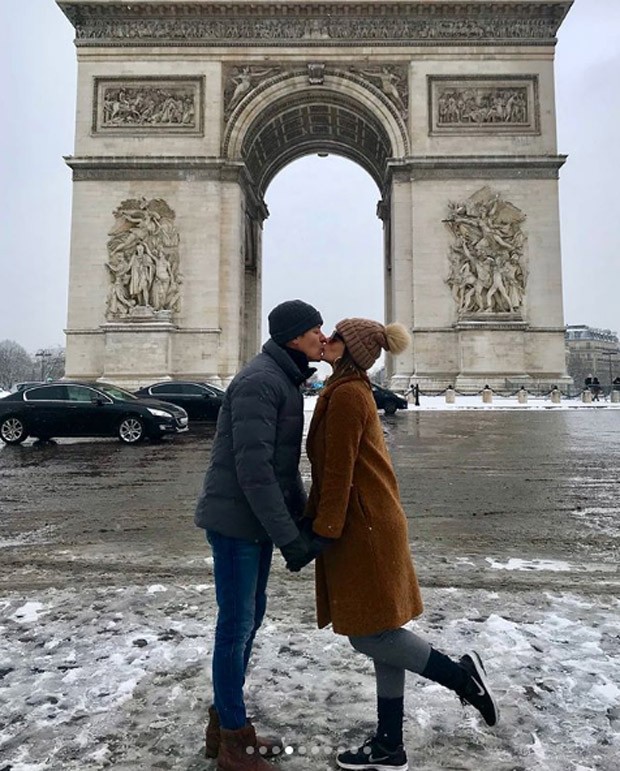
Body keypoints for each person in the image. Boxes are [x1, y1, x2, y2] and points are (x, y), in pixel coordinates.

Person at [285, 318, 500, 770]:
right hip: (366, 523)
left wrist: (319, 532)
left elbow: (339, 472)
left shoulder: (346, 395)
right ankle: (389, 745)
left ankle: (462, 678)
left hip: (361, 530)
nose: (327, 340)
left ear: (350, 351)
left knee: (369, 635)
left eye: (336, 337)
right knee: (380, 630)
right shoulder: (348, 389)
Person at [194, 299, 327, 771]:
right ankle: (234, 740)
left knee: (247, 622)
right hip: (236, 526)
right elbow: (255, 473)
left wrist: (302, 520)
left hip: (251, 525)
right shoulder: (260, 382)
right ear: (294, 337)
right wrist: (290, 536)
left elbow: (282, 469)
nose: (322, 336)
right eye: (316, 329)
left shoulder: (281, 378)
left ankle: (223, 727)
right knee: (236, 626)